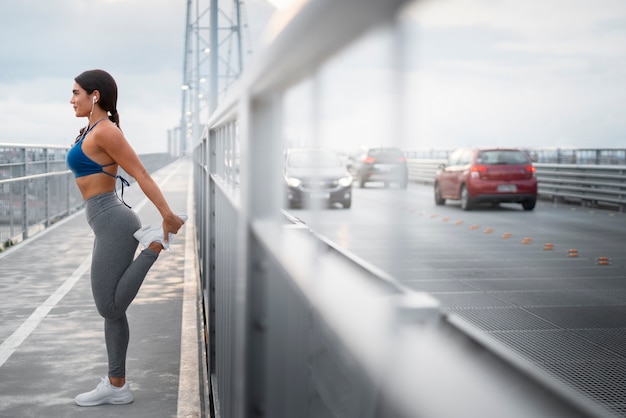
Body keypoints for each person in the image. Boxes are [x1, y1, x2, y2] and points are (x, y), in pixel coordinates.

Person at [66, 69, 186, 406]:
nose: (71, 99)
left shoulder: (106, 131)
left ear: (95, 96)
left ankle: (154, 244)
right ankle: (117, 385)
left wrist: (167, 215)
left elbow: (140, 172)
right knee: (113, 312)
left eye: (76, 93)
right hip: (104, 221)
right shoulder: (91, 129)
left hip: (113, 221)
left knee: (109, 305)